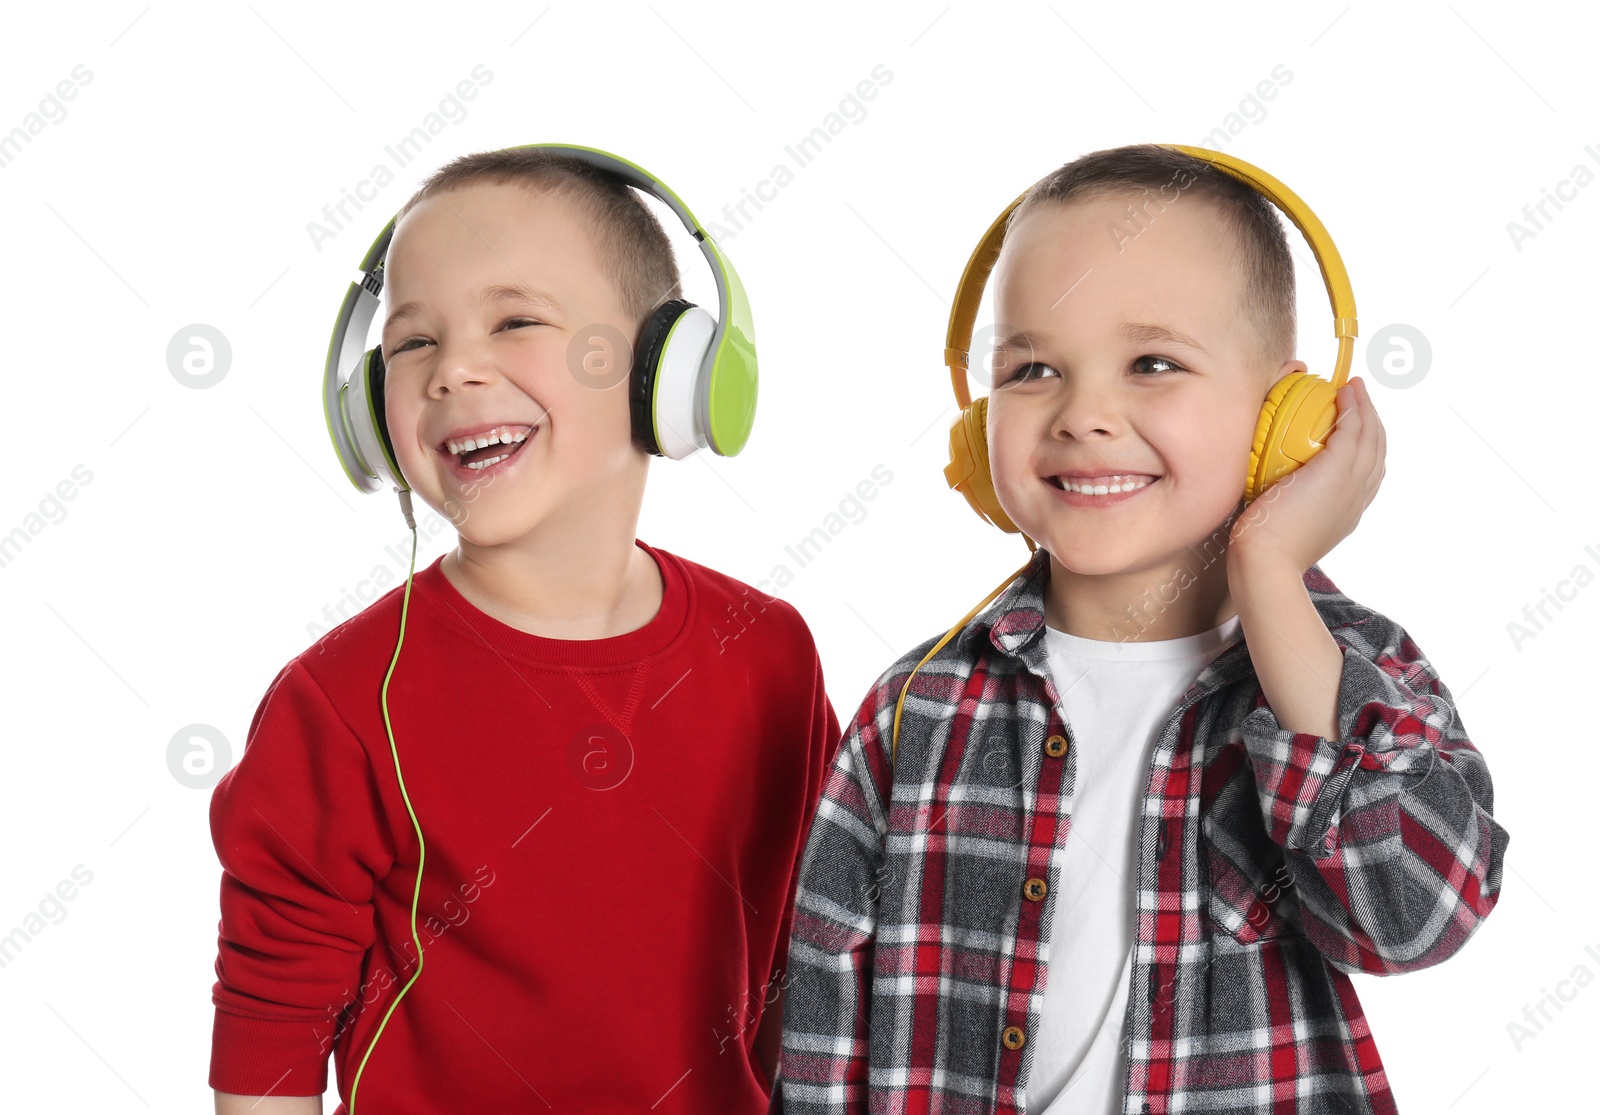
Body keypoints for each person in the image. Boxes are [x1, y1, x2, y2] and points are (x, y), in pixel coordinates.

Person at [774, 144, 1509, 1115]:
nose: (1082, 413)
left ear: (1284, 418)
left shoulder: (1352, 672)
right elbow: (821, 1002)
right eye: (1032, 367)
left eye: (1152, 362)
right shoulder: (919, 704)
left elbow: (1413, 919)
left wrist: (1269, 568)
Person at [207, 146, 839, 1114]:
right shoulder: (339, 699)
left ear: (668, 371)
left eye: (516, 320)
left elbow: (812, 961)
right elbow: (272, 1024)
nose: (454, 368)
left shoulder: (767, 653)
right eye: (413, 341)